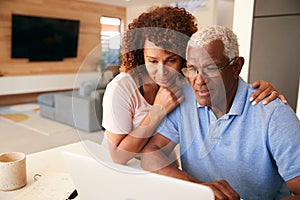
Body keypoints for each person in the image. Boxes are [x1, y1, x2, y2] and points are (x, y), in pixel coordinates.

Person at [102, 6, 286, 166]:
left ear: (183, 57)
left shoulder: (187, 80)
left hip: (160, 164)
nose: (161, 71)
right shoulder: (122, 88)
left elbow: (224, 78)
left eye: (171, 60)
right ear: (141, 56)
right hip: (123, 168)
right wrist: (157, 111)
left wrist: (260, 87)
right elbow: (118, 156)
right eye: (152, 60)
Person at [140, 25, 300, 200]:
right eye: (192, 69)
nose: (199, 81)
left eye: (211, 68)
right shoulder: (183, 98)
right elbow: (151, 152)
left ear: (236, 67)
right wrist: (200, 189)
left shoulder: (273, 113)